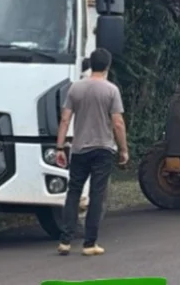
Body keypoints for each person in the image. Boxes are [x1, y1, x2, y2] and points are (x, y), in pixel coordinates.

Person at [54, 47, 128, 256]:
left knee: (73, 192)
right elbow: (118, 123)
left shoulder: (75, 88)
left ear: (90, 64)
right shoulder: (111, 90)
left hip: (79, 149)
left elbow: (65, 119)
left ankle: (65, 241)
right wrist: (123, 149)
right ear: (107, 66)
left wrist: (59, 147)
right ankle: (89, 243)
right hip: (103, 149)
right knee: (97, 194)